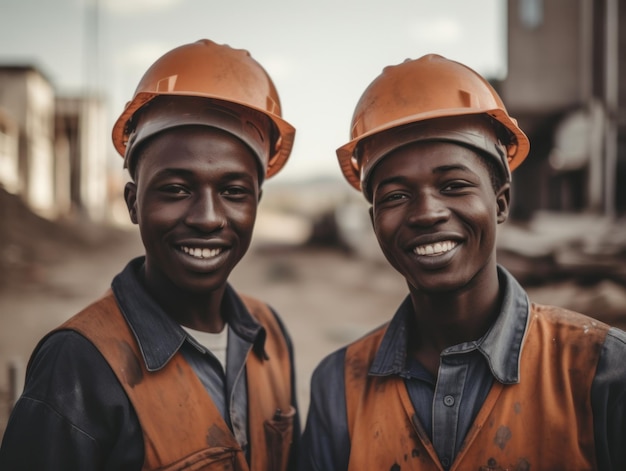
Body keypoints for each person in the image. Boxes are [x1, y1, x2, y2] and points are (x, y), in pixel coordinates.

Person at [299, 54, 626, 470]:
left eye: (454, 185)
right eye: (396, 195)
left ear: (501, 202)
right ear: (375, 222)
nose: (426, 212)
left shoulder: (602, 369)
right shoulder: (338, 386)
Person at [0, 39, 300, 471]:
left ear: (256, 203)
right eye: (176, 189)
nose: (208, 218)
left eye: (234, 192)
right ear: (133, 202)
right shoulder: (77, 364)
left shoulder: (268, 335)